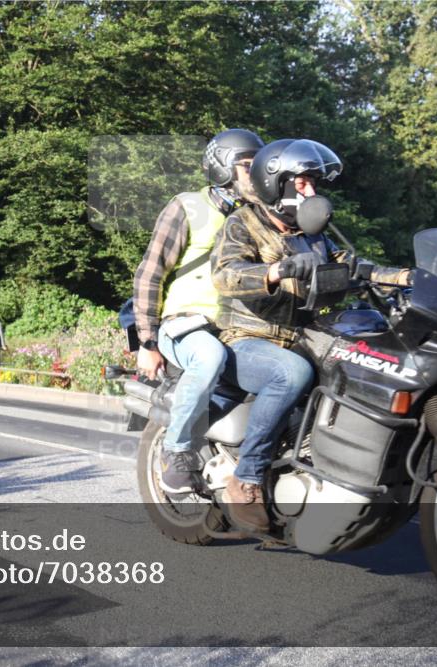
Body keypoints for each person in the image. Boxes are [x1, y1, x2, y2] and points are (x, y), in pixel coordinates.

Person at [211, 139, 412, 531]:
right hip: (248, 338)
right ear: (276, 184)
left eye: (313, 184)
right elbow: (225, 274)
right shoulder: (243, 223)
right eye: (302, 184)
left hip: (303, 335)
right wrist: (277, 271)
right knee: (291, 374)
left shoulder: (314, 234)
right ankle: (247, 478)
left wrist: (405, 277)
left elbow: (355, 268)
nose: (311, 192)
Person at [133, 128, 265, 494]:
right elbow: (150, 273)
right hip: (189, 323)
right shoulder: (188, 206)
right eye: (248, 166)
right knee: (209, 357)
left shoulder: (261, 216)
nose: (257, 175)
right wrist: (147, 341)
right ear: (223, 167)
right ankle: (176, 451)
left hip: (243, 326)